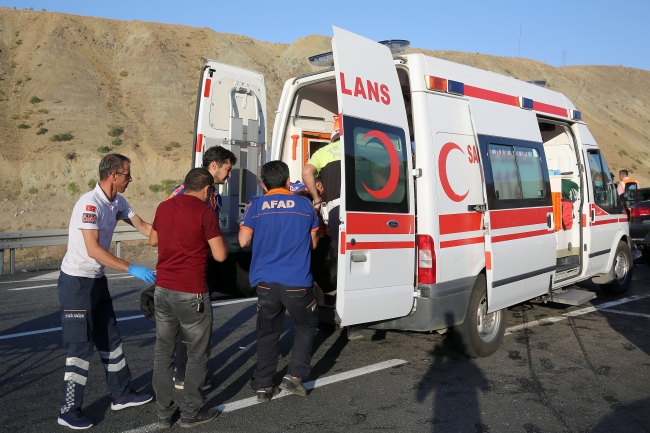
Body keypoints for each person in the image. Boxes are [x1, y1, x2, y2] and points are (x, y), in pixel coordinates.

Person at [56, 154, 156, 430]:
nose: (131, 178)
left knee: (111, 339)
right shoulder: (90, 203)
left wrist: (173, 226)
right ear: (113, 175)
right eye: (127, 174)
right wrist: (131, 267)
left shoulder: (119, 202)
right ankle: (68, 409)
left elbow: (146, 228)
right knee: (80, 347)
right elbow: (94, 250)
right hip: (76, 283)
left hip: (96, 281)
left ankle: (122, 393)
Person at [149, 168, 229, 428]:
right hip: (192, 290)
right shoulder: (205, 212)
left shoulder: (164, 206)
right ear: (207, 189)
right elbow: (220, 256)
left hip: (162, 289)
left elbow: (153, 240)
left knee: (163, 353)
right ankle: (191, 413)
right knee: (196, 354)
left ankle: (163, 414)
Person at [239, 161, 319, 403]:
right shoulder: (306, 205)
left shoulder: (256, 205)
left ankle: (263, 386)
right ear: (288, 182)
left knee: (267, 333)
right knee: (306, 327)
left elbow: (243, 241)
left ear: (264, 185)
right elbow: (314, 244)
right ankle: (294, 378)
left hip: (265, 282)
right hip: (298, 282)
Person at [165, 145, 237, 391]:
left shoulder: (214, 195)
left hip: (199, 264)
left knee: (193, 326)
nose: (229, 175)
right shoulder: (183, 192)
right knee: (190, 326)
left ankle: (184, 373)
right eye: (227, 169)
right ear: (214, 166)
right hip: (183, 269)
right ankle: (184, 377)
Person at [302, 116, 363, 340]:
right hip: (362, 209)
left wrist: (317, 198)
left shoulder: (324, 153)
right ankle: (358, 317)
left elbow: (307, 172)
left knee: (343, 260)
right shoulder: (358, 149)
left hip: (337, 210)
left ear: (333, 137)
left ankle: (347, 320)